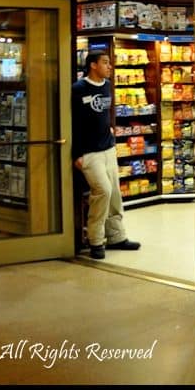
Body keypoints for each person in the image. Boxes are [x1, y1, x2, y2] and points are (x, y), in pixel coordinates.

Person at [72, 49, 142, 259]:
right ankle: (95, 240)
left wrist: (111, 131)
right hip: (89, 153)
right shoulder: (78, 89)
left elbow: (107, 114)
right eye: (105, 62)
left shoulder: (108, 86)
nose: (109, 66)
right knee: (102, 190)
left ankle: (117, 236)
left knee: (114, 194)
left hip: (108, 148)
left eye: (109, 63)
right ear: (93, 65)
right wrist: (77, 154)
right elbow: (72, 123)